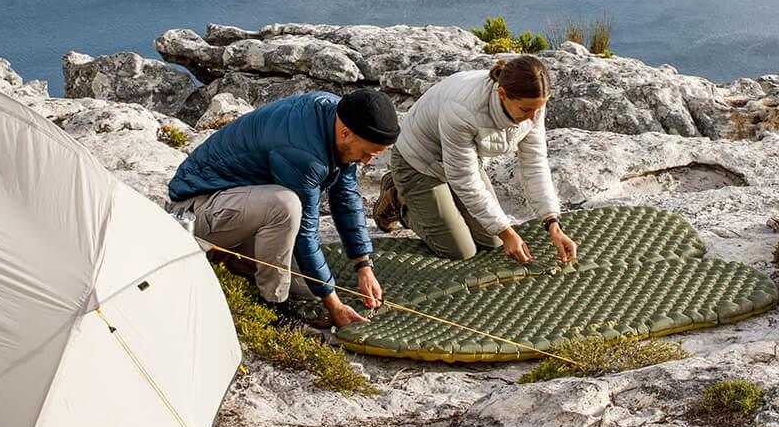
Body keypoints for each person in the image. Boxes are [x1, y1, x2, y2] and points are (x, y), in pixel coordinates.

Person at [168, 86, 398, 328]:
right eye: (366, 153)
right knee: (286, 205)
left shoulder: (340, 115)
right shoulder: (302, 152)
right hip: (194, 212)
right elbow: (305, 233)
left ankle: (230, 258)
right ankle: (272, 308)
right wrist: (334, 305)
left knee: (307, 289)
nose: (367, 161)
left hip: (239, 208)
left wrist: (364, 265)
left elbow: (346, 197)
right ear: (345, 134)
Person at [374, 56, 578, 267]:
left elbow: (535, 164)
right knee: (460, 250)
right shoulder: (463, 109)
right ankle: (398, 200)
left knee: (493, 241)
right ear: (502, 94)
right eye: (526, 110)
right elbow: (464, 179)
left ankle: (438, 202)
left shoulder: (531, 104)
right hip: (418, 162)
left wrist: (552, 223)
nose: (532, 117)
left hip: (460, 162)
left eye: (538, 109)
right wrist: (507, 232)